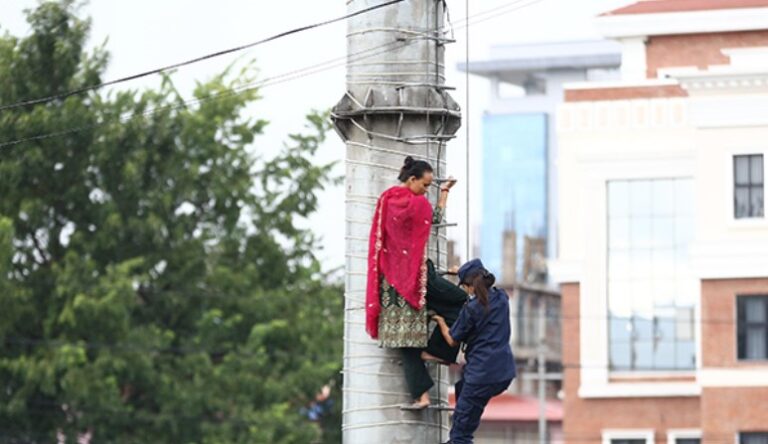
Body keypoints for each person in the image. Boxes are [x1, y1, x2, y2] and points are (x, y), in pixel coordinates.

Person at [366, 156, 460, 410]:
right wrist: (443, 194)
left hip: (392, 281)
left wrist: (442, 192)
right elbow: (435, 219)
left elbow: (430, 220)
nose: (425, 190)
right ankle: (440, 351)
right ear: (412, 179)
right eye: (425, 185)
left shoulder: (387, 200)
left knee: (407, 344)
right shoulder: (417, 204)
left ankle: (422, 395)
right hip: (416, 277)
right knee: (462, 302)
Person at [432, 259, 516, 444]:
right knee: (462, 391)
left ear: (469, 287)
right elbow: (478, 281)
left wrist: (440, 321)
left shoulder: (471, 309)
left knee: (460, 435)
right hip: (503, 373)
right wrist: (461, 272)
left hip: (481, 375)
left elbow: (452, 340)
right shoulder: (501, 298)